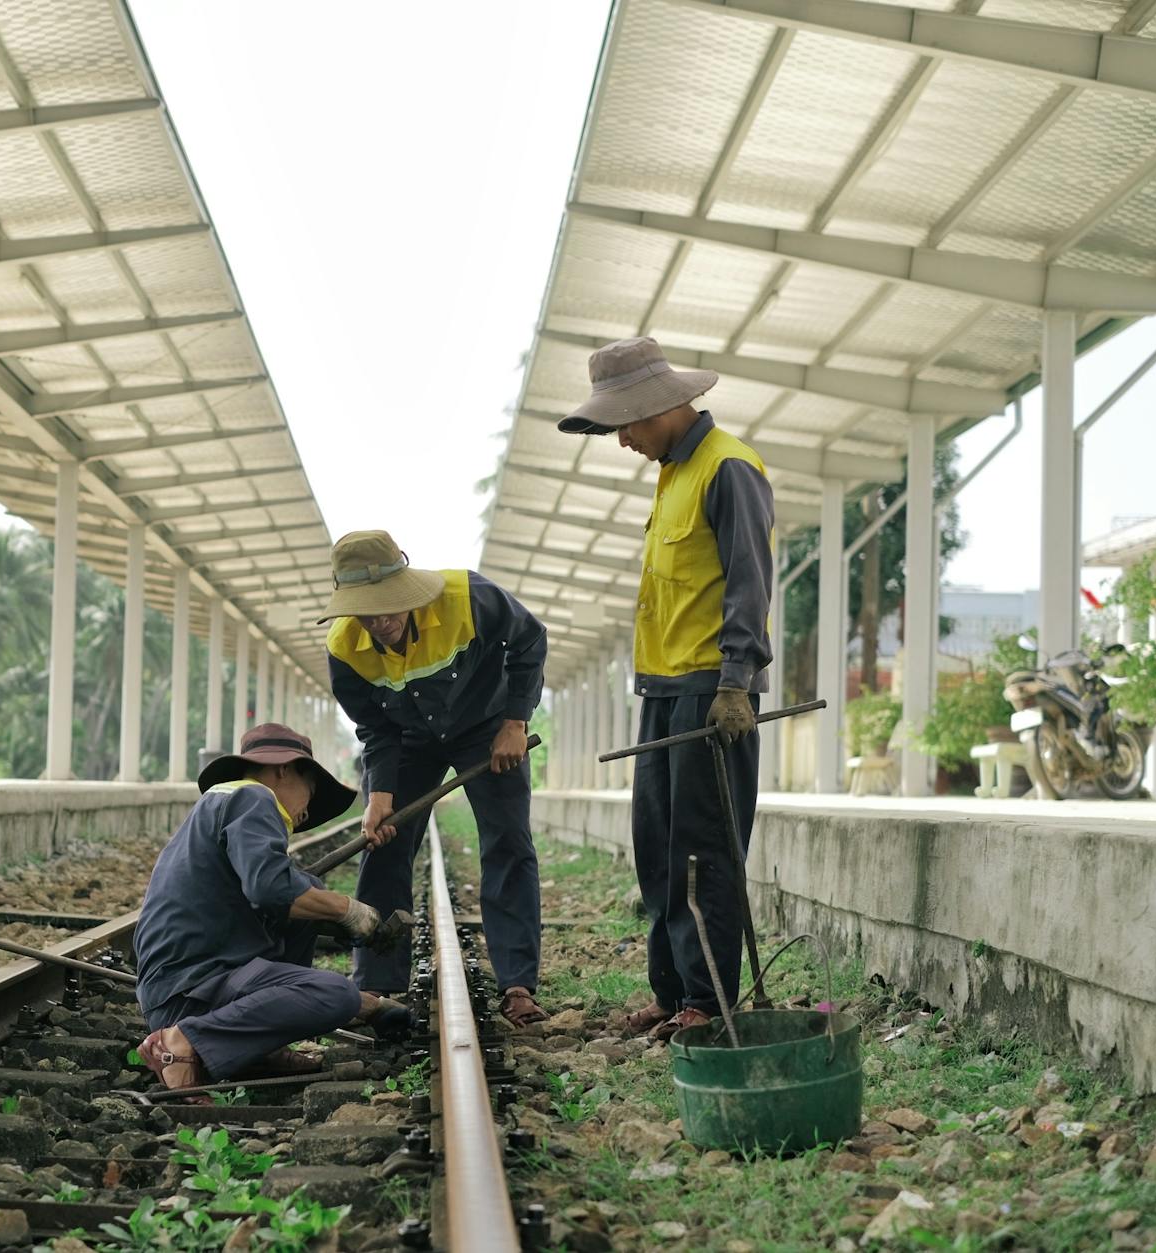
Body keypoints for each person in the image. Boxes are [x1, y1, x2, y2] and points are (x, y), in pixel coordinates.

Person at [557, 336, 775, 1042]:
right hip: (661, 688)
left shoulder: (728, 468)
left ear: (664, 404)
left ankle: (707, 1001)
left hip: (712, 691)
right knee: (658, 848)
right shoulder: (672, 470)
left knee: (703, 849)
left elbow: (748, 580)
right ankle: (673, 989)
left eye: (627, 422)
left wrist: (737, 681)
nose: (622, 439)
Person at [320, 529, 550, 1028]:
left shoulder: (468, 597)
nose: (380, 621)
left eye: (388, 606)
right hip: (408, 742)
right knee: (384, 844)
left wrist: (515, 722)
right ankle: (377, 987)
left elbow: (530, 639)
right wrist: (379, 795)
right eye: (366, 611)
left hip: (488, 729)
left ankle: (517, 985)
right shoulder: (343, 650)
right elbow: (376, 729)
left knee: (508, 842)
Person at [134, 723, 407, 1092]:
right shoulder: (253, 797)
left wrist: (327, 910)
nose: (307, 812)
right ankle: (183, 1041)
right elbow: (271, 889)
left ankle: (262, 1047)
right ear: (284, 769)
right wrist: (348, 909)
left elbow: (281, 894)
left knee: (308, 893)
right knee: (335, 992)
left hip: (187, 987)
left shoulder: (223, 802)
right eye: (311, 792)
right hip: (192, 993)